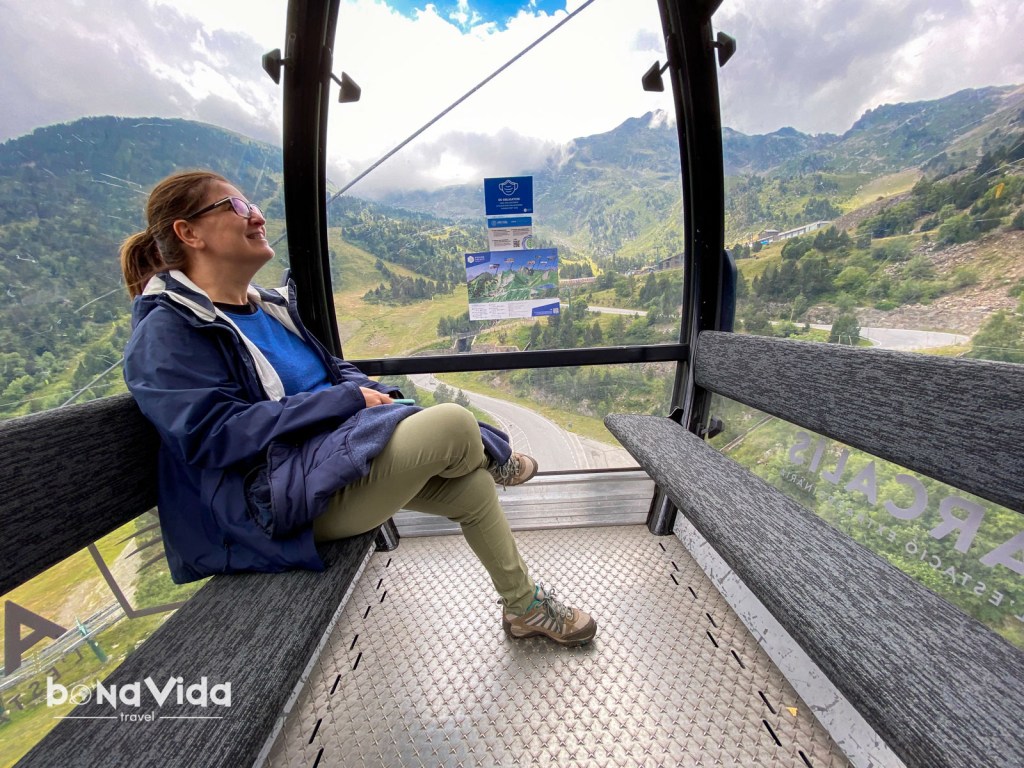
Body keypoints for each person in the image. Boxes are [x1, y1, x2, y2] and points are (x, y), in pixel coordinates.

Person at [119, 170, 596, 647]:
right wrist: (348, 400)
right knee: (452, 424)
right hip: (274, 503)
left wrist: (372, 394)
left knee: (472, 489)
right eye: (238, 207)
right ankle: (494, 457)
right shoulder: (167, 333)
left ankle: (524, 607)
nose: (257, 216)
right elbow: (213, 435)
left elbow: (333, 372)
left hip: (325, 463)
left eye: (254, 206)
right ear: (189, 232)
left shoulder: (264, 309)